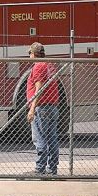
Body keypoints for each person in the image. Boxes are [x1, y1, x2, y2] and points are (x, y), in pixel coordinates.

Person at [26, 42, 60, 176]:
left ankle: (40, 169)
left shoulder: (39, 66)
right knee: (52, 138)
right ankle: (52, 169)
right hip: (52, 106)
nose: (29, 56)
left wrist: (32, 109)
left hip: (42, 107)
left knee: (39, 139)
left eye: (30, 53)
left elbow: (38, 88)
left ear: (34, 54)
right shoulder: (49, 65)